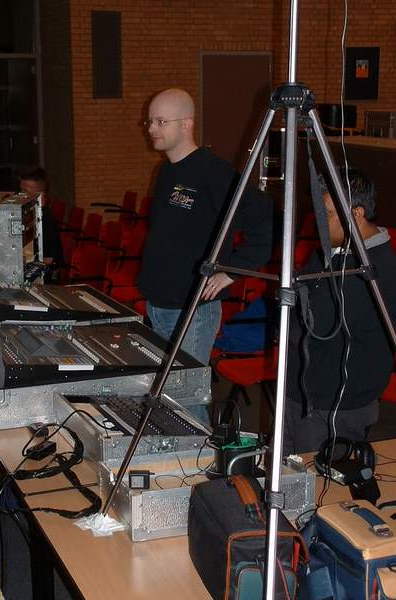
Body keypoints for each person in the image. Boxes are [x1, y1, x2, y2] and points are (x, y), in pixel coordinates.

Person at [137, 88, 273, 419]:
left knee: (186, 398)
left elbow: (264, 218)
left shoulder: (214, 173)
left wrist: (232, 271)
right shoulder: (166, 171)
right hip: (160, 303)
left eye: (160, 121)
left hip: (193, 309)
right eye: (150, 121)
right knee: (165, 395)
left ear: (186, 123)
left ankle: (200, 454)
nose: (152, 129)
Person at [284, 169, 396, 454]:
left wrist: (294, 304)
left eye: (327, 214)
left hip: (334, 403)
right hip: (303, 389)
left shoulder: (374, 270)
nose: (318, 221)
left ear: (356, 214)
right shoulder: (334, 249)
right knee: (283, 471)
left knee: (318, 477)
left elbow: (315, 326)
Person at [19, 166, 63, 273]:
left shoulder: (46, 220)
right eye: (20, 191)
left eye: (26, 192)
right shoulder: (28, 215)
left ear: (41, 197)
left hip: (43, 275)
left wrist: (20, 263)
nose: (20, 196)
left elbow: (49, 259)